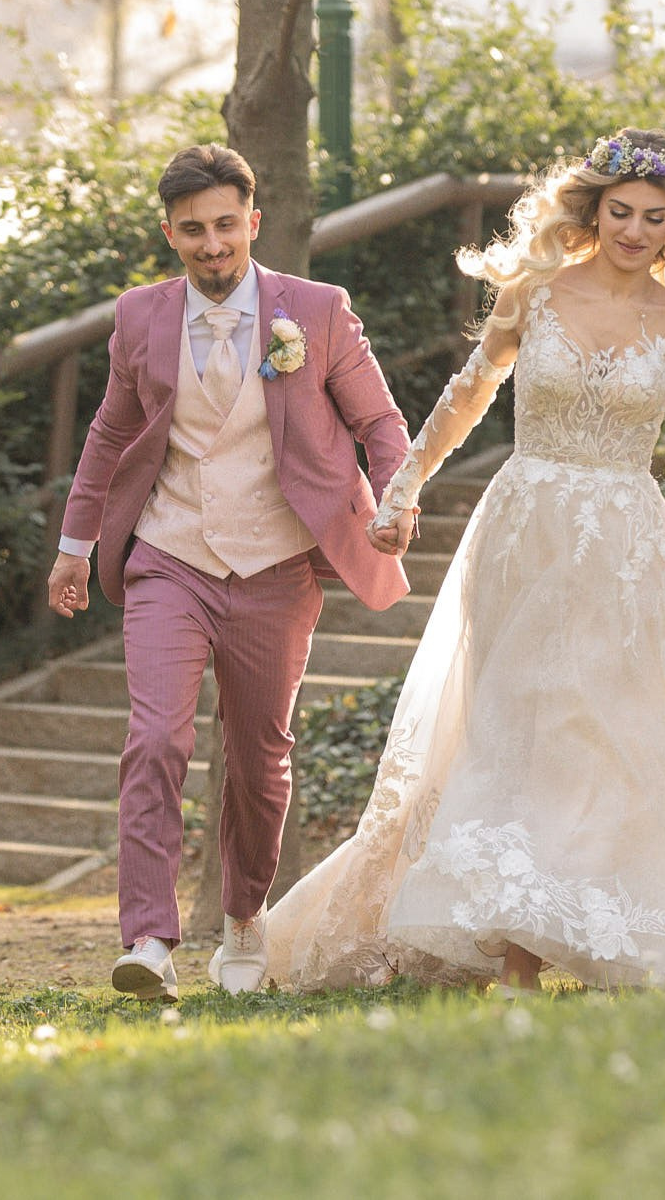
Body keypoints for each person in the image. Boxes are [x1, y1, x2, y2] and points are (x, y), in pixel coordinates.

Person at [266, 128, 665, 994]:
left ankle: (595, 931)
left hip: (629, 551)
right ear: (593, 209)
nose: (636, 231)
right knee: (518, 729)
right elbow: (463, 400)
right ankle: (516, 961)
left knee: (607, 740)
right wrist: (402, 490)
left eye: (655, 218)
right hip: (526, 531)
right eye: (621, 212)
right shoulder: (532, 295)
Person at [47, 143, 413, 1001]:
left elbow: (381, 420)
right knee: (156, 736)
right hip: (169, 557)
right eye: (191, 230)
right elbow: (107, 435)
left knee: (259, 754)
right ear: (169, 233)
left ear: (253, 221)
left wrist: (398, 500)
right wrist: (74, 544)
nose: (211, 245)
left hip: (277, 563)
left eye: (224, 225)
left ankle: (245, 919)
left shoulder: (316, 312)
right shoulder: (140, 316)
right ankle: (147, 937)